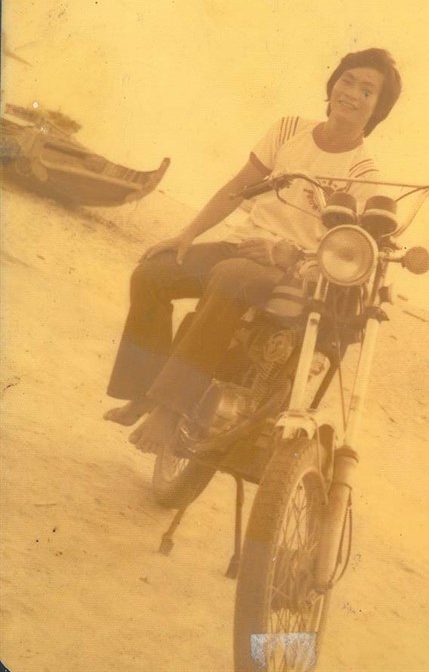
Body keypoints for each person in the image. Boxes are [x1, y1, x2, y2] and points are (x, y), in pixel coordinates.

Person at [104, 48, 402, 453]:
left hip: (292, 270)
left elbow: (345, 254)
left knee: (231, 277)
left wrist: (286, 255)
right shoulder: (289, 129)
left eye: (367, 91)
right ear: (332, 84)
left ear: (379, 108)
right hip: (241, 244)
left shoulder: (364, 174)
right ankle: (143, 390)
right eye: (346, 80)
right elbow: (238, 187)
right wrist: (187, 234)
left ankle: (170, 410)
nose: (351, 93)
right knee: (153, 273)